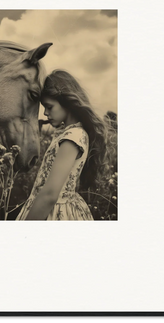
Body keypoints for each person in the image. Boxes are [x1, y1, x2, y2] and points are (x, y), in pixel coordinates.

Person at [15, 69, 108, 220]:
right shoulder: (71, 133)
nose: (45, 113)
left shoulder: (73, 137)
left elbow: (50, 194)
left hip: (54, 212)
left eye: (49, 107)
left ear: (67, 102)